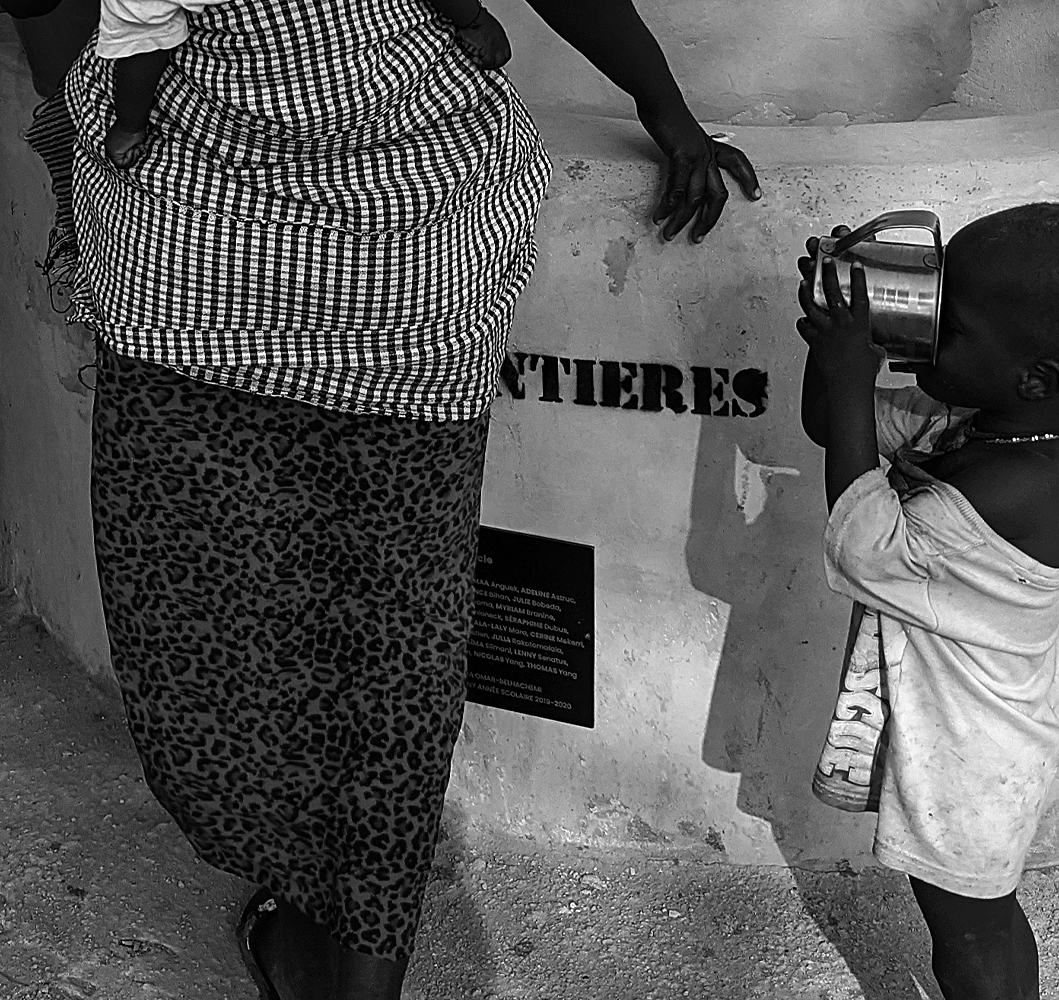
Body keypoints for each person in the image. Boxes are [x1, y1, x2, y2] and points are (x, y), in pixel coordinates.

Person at [0, 0, 762, 996]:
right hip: (413, 263)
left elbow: (58, 13)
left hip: (194, 271)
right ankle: (365, 956)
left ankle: (297, 898)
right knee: (396, 629)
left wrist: (86, 154)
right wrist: (665, 108)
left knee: (213, 604)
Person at [796, 202, 1059, 1000]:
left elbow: (863, 547)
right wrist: (838, 333)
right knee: (980, 919)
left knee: (967, 934)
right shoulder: (985, 426)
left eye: (947, 324)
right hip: (962, 737)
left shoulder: (1022, 484)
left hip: (974, 756)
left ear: (1034, 377)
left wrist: (851, 372)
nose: (927, 331)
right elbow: (834, 424)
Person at [96, 0, 515, 168]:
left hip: (244, 131)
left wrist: (130, 124)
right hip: (405, 110)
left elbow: (142, 43)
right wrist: (472, 19)